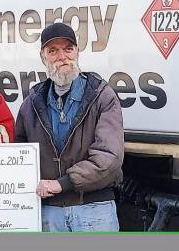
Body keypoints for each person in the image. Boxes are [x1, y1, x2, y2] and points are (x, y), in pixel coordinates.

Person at [14, 23, 124, 232]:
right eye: (53, 51)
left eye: (68, 49)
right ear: (43, 57)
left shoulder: (102, 95)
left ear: (77, 52)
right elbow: (19, 156)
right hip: (49, 212)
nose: (62, 56)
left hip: (94, 209)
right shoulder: (30, 104)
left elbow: (110, 158)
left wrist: (62, 184)